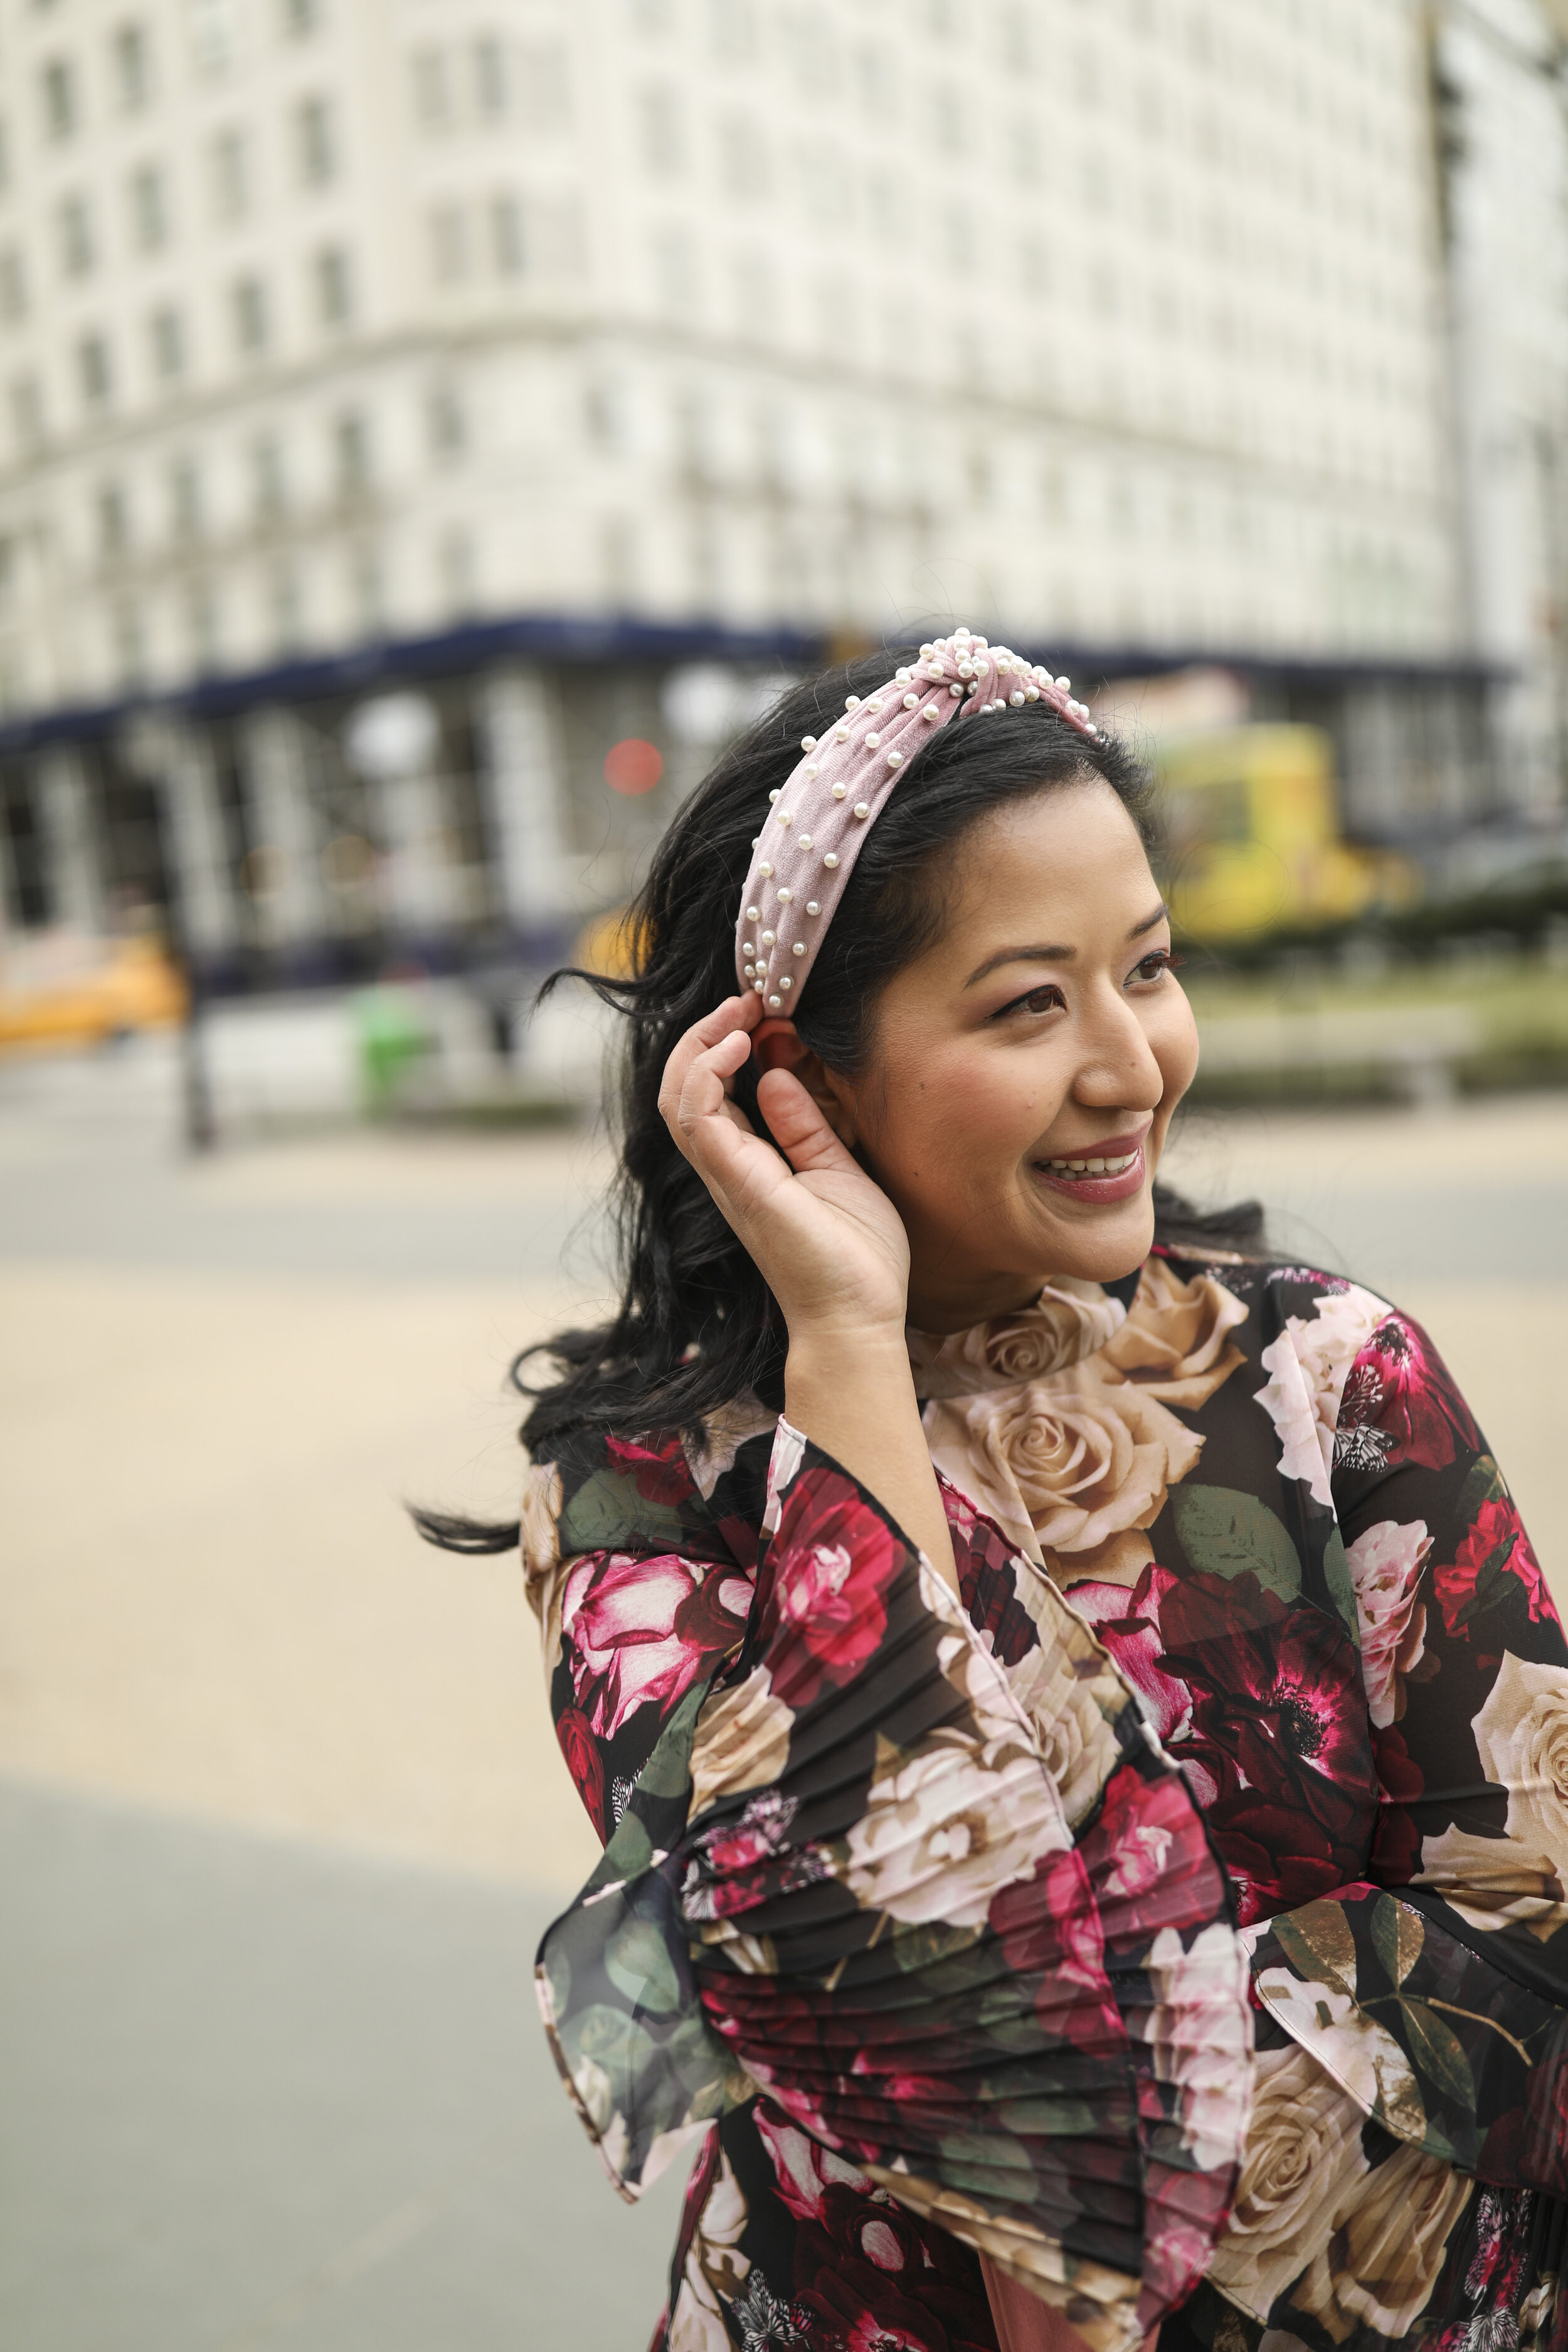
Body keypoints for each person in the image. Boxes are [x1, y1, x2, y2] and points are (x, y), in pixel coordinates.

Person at [423, 634, 1568, 2352]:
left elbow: (1522, 1933)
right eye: (1028, 1002)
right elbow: (824, 1943)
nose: (1129, 1067)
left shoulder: (1330, 1377)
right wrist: (849, 1356)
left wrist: (1101, 2145)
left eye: (1149, 969)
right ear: (795, 1069)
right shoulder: (638, 1495)